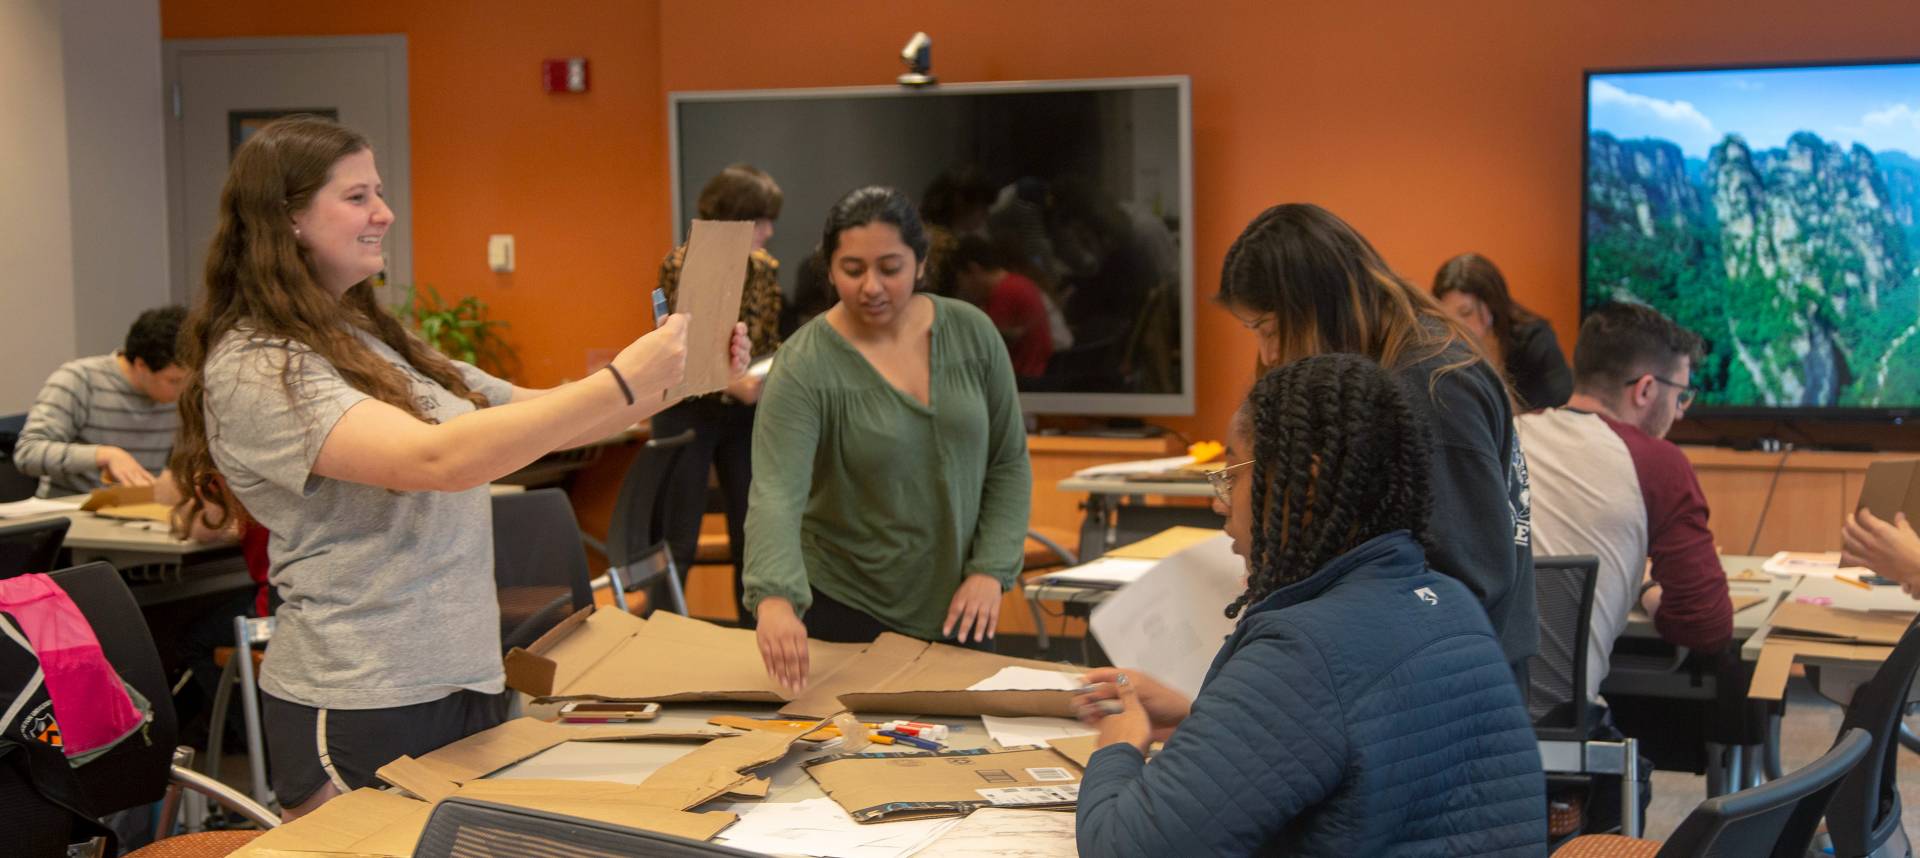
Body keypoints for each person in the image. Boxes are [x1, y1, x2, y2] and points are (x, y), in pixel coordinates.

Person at [167, 115, 745, 818]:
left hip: (460, 679)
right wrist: (627, 381)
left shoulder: (369, 337)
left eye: (378, 191)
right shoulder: (258, 367)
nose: (384, 212)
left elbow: (541, 415)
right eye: (356, 197)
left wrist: (675, 377)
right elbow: (437, 459)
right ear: (284, 219)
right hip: (360, 696)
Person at [1073, 354, 1546, 857]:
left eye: (1233, 472)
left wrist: (1121, 745)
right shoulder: (1451, 604)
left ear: (1309, 482)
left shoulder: (1304, 651)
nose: (1220, 501)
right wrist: (1201, 721)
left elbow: (1122, 848)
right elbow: (1343, 747)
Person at [1217, 203, 1538, 678]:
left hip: (1447, 689)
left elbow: (1462, 585)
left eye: (1271, 329)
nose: (1270, 353)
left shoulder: (1430, 387)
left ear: (1320, 307)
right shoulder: (1400, 361)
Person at [745, 186, 1031, 693]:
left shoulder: (973, 334)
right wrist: (775, 600)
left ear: (921, 264)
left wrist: (991, 570)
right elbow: (776, 492)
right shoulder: (805, 364)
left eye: (890, 268)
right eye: (852, 270)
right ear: (829, 269)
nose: (871, 286)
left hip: (963, 609)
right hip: (848, 608)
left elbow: (1007, 463)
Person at [1517, 301, 1727, 836]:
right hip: (1560, 742)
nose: (1681, 411)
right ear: (1645, 390)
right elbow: (1706, 625)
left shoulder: (1505, 436)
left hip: (1463, 714)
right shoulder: (1657, 463)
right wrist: (1649, 588)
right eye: (1681, 394)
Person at [651, 164, 784, 624]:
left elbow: (768, 341)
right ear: (731, 220)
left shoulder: (765, 269)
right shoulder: (682, 263)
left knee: (753, 532)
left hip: (744, 415)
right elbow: (683, 347)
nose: (768, 232)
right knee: (678, 536)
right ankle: (662, 639)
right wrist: (733, 382)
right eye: (760, 221)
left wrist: (762, 379)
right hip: (687, 408)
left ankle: (757, 639)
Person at [15, 305, 188, 497]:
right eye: (174, 381)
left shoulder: (179, 397)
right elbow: (27, 453)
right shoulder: (80, 380)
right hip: (72, 514)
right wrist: (102, 455)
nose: (183, 390)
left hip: (139, 511)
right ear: (141, 365)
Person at [1433, 252, 1573, 410]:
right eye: (1448, 317)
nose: (1457, 326)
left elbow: (1562, 403)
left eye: (1466, 313)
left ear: (1491, 306)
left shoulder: (1534, 339)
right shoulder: (1445, 348)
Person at [948, 234, 1054, 379]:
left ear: (974, 270)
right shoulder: (1016, 283)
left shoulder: (1005, 292)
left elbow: (982, 350)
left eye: (961, 279)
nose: (962, 288)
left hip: (1023, 377)